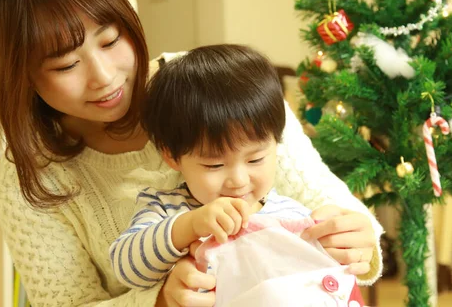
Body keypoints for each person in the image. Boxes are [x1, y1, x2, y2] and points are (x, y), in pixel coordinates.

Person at [0, 0, 383, 307]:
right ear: (16, 72)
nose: (104, 76)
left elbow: (332, 204)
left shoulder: (219, 87)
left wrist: (357, 238)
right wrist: (160, 301)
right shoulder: (27, 176)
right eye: (66, 64)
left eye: (110, 41)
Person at [111, 44, 324, 289]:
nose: (239, 180)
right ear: (172, 156)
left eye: (255, 160)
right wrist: (189, 225)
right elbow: (126, 269)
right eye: (214, 165)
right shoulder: (165, 209)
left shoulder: (290, 214)